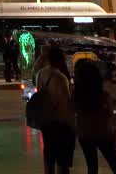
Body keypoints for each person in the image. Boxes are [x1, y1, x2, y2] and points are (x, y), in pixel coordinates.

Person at [74, 58, 116, 174]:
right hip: (103, 133)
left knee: (92, 167)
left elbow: (73, 109)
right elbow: (109, 114)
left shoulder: (77, 95)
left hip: (85, 134)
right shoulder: (102, 95)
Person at [34, 46, 75, 174]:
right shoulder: (61, 78)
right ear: (61, 60)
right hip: (59, 123)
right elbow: (65, 104)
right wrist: (72, 124)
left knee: (49, 153)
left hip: (45, 120)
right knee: (62, 158)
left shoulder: (41, 73)